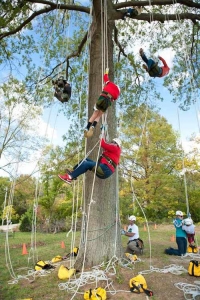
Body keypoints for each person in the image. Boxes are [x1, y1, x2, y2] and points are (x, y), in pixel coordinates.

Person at [84, 68, 120, 138]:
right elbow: (113, 100)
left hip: (102, 98)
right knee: (99, 116)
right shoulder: (117, 93)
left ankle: (87, 127)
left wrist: (106, 72)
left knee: (94, 114)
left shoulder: (111, 84)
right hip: (107, 102)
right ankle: (93, 126)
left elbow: (105, 78)